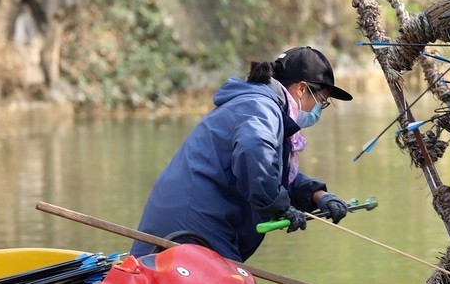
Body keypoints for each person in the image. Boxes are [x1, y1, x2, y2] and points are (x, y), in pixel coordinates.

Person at [131, 46, 354, 262]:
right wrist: (280, 206)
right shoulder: (261, 107)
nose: (318, 111)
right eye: (321, 102)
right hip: (194, 226)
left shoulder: (259, 105)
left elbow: (273, 172)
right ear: (302, 89)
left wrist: (318, 195)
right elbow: (254, 153)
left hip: (186, 219)